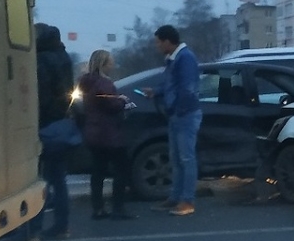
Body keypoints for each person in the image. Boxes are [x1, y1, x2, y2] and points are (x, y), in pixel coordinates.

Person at [144, 25, 201, 217]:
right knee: (176, 159)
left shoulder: (185, 58)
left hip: (185, 115)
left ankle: (187, 200)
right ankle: (175, 197)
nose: (157, 46)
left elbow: (187, 88)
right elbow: (171, 84)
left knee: (186, 158)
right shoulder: (173, 59)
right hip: (177, 115)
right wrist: (156, 92)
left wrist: (177, 109)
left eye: (159, 42)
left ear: (168, 41)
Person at [77, 50, 135, 221]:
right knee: (121, 170)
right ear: (103, 64)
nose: (113, 65)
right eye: (111, 62)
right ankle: (118, 208)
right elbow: (111, 105)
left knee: (98, 171)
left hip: (93, 132)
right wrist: (123, 100)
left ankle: (98, 208)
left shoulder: (87, 82)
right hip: (109, 134)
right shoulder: (104, 83)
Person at [33, 22, 75, 240]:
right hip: (61, 122)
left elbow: (40, 93)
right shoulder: (64, 57)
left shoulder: (41, 60)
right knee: (58, 178)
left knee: (39, 178)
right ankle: (62, 225)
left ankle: (34, 227)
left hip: (45, 123)